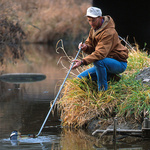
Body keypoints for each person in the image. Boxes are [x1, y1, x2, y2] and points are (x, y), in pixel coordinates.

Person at [72, 6, 129, 91]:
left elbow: (100, 53)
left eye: (93, 20)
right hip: (105, 62)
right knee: (79, 79)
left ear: (100, 18)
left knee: (98, 61)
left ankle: (102, 91)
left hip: (119, 63)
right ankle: (111, 77)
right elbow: (90, 44)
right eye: (89, 20)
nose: (91, 23)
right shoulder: (94, 28)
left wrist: (82, 62)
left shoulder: (109, 32)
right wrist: (85, 47)